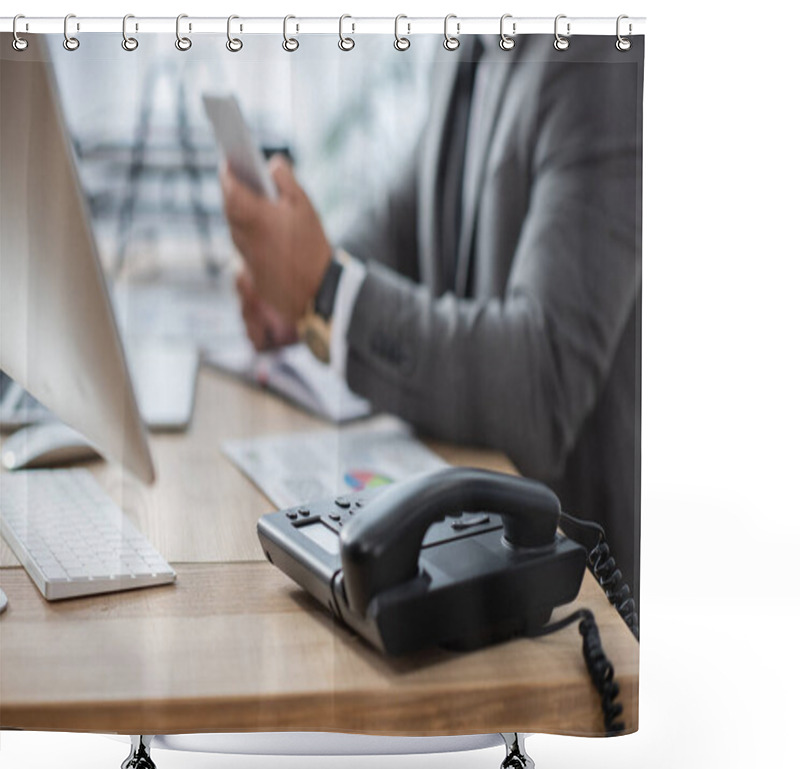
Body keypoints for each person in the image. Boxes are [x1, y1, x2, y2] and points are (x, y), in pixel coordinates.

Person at [221, 35, 642, 609]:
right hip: (472, 547)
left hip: (573, 593)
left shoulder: (603, 58)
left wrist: (325, 292)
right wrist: (293, 293)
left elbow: (542, 380)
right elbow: (404, 218)